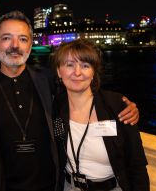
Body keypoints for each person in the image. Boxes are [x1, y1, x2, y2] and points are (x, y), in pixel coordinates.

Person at [0, 11, 139, 191]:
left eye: (23, 39)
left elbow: (83, 90)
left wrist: (123, 104)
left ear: (30, 45)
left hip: (52, 186)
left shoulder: (48, 81)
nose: (15, 45)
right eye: (6, 38)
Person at [53, 39, 149, 191]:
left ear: (93, 72)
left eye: (85, 65)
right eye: (69, 65)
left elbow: (136, 164)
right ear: (59, 71)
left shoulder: (116, 106)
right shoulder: (54, 107)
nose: (77, 72)